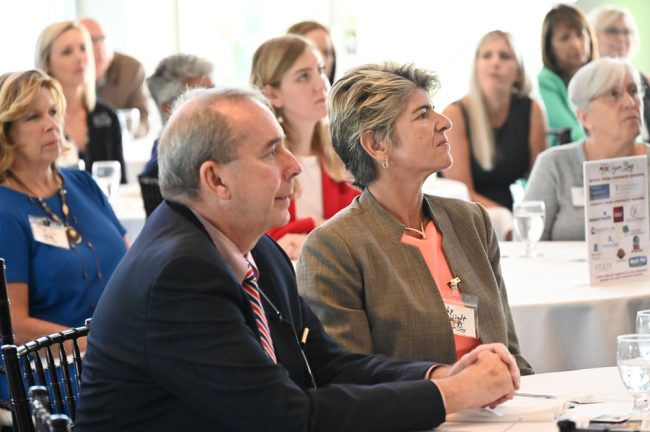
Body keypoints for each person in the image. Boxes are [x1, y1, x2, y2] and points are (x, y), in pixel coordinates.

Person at [75, 86, 519, 431]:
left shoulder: (253, 248)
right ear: (215, 180)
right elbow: (288, 419)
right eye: (272, 152)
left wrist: (439, 376)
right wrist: (451, 396)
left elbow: (324, 362)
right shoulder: (179, 275)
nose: (294, 165)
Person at [297, 63, 532, 374]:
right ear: (376, 144)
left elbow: (511, 354)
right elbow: (348, 377)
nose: (445, 122)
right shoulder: (333, 248)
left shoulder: (471, 221)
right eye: (422, 115)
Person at [0, 69, 128, 400]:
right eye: (33, 117)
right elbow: (14, 325)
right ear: (6, 131)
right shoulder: (5, 210)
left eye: (53, 111)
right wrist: (104, 345)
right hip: (55, 379)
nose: (51, 124)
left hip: (119, 360)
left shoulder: (82, 184)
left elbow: (133, 269)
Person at [251, 35, 358, 259]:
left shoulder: (343, 149)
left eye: (320, 70)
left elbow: (360, 229)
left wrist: (312, 231)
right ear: (273, 95)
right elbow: (257, 235)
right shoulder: (258, 159)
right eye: (303, 77)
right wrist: (323, 229)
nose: (321, 83)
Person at [525, 57, 649, 241]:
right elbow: (528, 243)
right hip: (560, 269)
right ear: (584, 117)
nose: (630, 103)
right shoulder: (554, 165)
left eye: (633, 91)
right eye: (614, 94)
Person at [442, 30, 546, 211]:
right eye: (486, 55)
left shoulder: (531, 110)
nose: (495, 62)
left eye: (505, 56)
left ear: (519, 73)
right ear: (475, 67)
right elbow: (460, 195)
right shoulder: (455, 115)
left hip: (510, 217)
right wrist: (508, 219)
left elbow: (540, 183)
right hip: (463, 216)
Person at [35, 20, 127, 183]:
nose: (80, 58)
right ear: (47, 63)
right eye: (67, 52)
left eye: (83, 48)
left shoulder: (107, 116)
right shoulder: (36, 122)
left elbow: (121, 183)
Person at [140, 53, 214, 178]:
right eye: (202, 97)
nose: (215, 103)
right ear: (169, 108)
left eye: (214, 92)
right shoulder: (164, 165)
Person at [80, 18, 151, 138]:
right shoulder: (67, 71)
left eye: (103, 39)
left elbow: (144, 120)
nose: (100, 47)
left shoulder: (130, 69)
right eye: (91, 41)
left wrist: (125, 132)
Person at [538, 4, 597, 146]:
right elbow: (569, 133)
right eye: (565, 38)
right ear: (549, 47)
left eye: (580, 34)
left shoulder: (600, 75)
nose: (576, 44)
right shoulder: (546, 80)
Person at [589, 6, 650, 140]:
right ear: (593, 34)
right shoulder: (587, 82)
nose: (622, 38)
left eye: (627, 32)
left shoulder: (646, 80)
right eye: (613, 31)